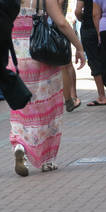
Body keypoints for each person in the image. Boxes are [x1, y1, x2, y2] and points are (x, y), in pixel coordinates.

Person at [8, 0, 85, 176]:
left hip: (15, 58)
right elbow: (62, 23)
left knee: (20, 106)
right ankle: (47, 160)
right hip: (41, 55)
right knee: (47, 107)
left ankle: (19, 144)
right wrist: (79, 48)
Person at [75, 0, 106, 106]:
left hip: (89, 27)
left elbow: (77, 11)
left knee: (94, 61)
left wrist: (84, 18)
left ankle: (102, 96)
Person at [60, 0, 81, 111]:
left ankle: (72, 96)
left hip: (59, 29)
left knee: (65, 65)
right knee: (66, 65)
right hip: (60, 28)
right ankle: (71, 96)